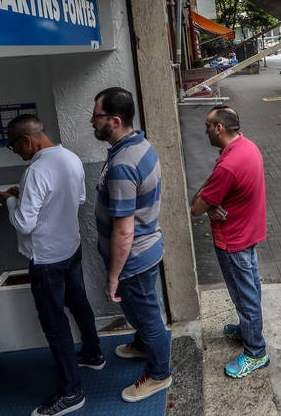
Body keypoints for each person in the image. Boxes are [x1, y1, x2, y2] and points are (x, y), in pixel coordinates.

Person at [0, 114, 103, 416]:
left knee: (55, 326)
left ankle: (71, 392)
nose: (15, 151)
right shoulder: (71, 158)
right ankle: (94, 353)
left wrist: (10, 202)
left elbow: (24, 223)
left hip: (45, 259)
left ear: (26, 140)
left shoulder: (35, 171)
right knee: (78, 303)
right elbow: (77, 198)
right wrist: (26, 197)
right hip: (70, 247)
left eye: (13, 145)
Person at [90, 87, 172, 402]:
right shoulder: (139, 144)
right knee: (142, 312)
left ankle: (159, 374)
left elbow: (124, 232)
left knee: (147, 316)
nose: (91, 122)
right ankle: (141, 344)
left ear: (114, 119)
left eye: (96, 116)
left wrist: (113, 276)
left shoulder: (123, 164)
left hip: (133, 259)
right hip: (145, 250)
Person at [190, 106, 269, 378]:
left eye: (208, 126)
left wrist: (209, 200)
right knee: (250, 290)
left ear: (219, 128)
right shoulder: (247, 147)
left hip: (233, 240)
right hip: (248, 232)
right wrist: (215, 200)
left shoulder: (227, 166)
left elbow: (197, 207)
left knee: (244, 296)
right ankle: (248, 329)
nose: (205, 131)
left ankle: (255, 352)